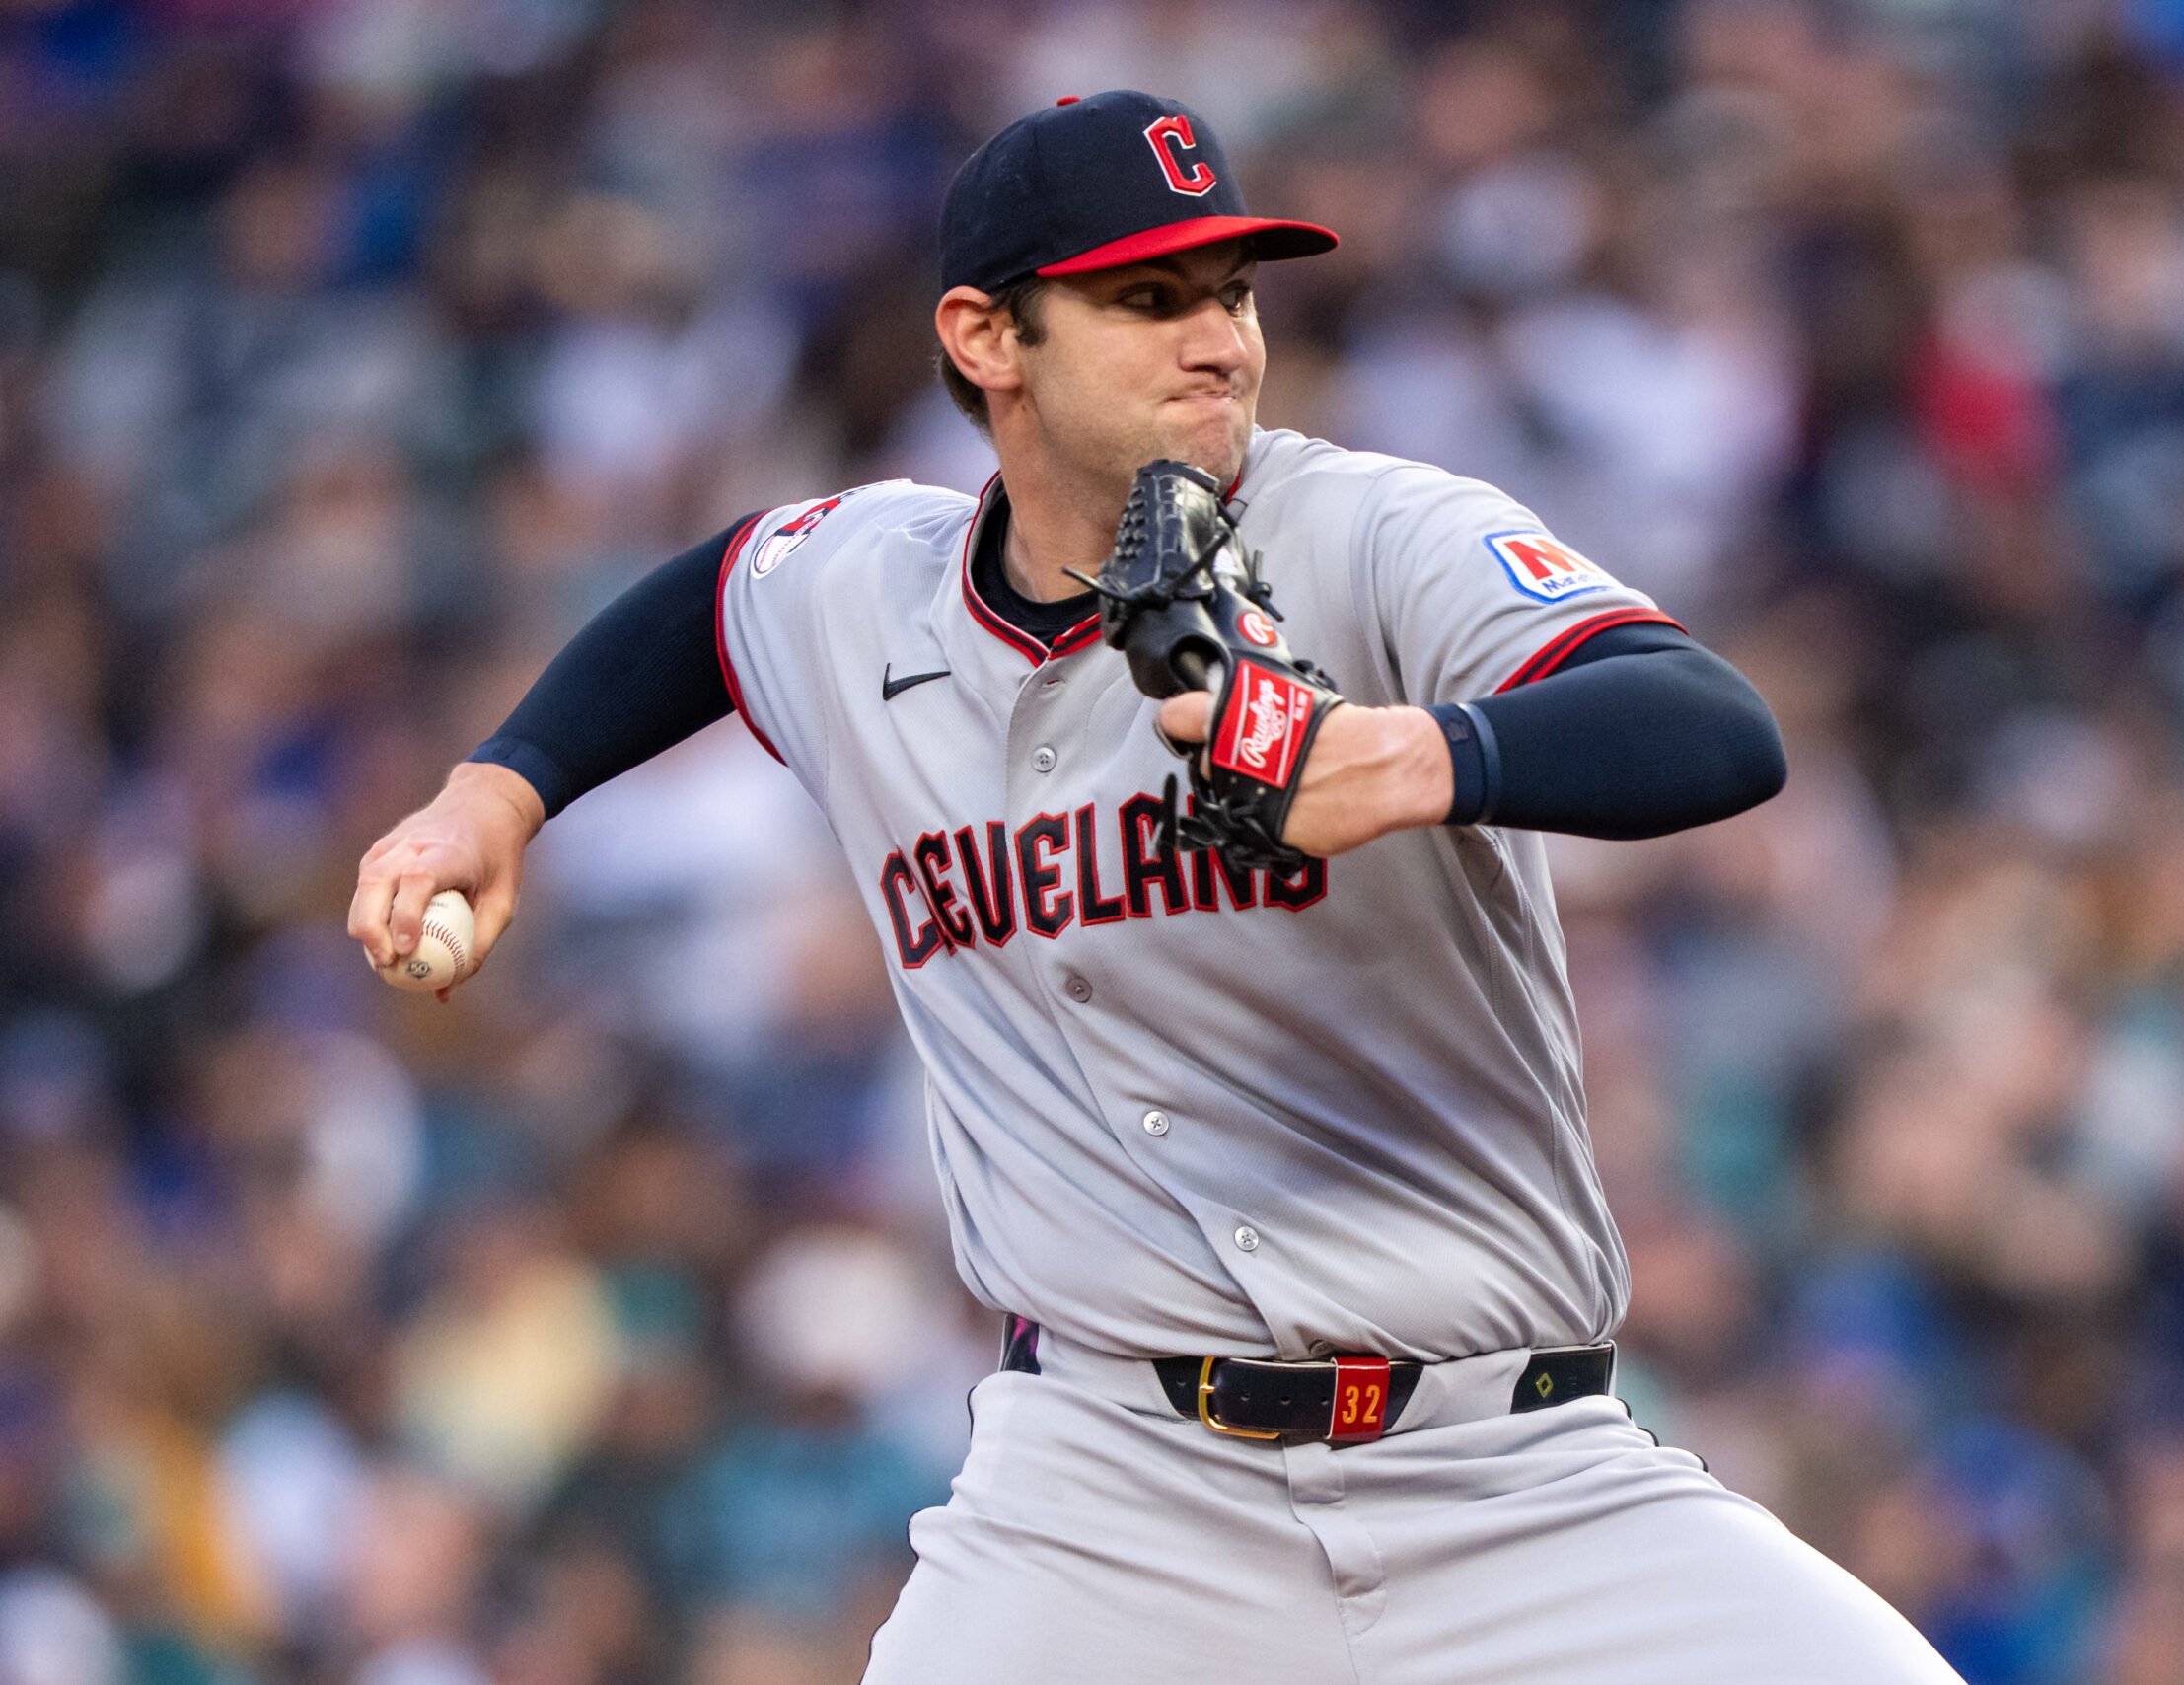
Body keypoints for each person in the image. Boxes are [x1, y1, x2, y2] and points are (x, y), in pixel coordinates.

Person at [349, 91, 1960, 1684]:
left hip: (1504, 1469)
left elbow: (1710, 726)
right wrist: (500, 788)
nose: (1221, 342)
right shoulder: (868, 589)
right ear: (988, 337)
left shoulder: (1369, 533)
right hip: (1111, 1494)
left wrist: (1407, 761)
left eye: (1233, 294)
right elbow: (715, 600)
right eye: (1147, 299)